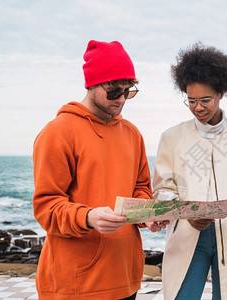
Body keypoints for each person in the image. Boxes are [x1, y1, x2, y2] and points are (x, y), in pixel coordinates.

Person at [32, 40, 166, 300]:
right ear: (92, 84)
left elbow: (140, 189)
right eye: (115, 91)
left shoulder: (132, 134)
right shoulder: (57, 132)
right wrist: (88, 217)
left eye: (129, 91)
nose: (122, 99)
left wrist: (145, 215)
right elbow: (46, 207)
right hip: (76, 283)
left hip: (126, 276)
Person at [152, 43, 227, 300]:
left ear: (222, 93)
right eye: (191, 101)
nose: (198, 108)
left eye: (205, 100)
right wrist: (188, 214)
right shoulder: (171, 138)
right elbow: (163, 191)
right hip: (188, 233)